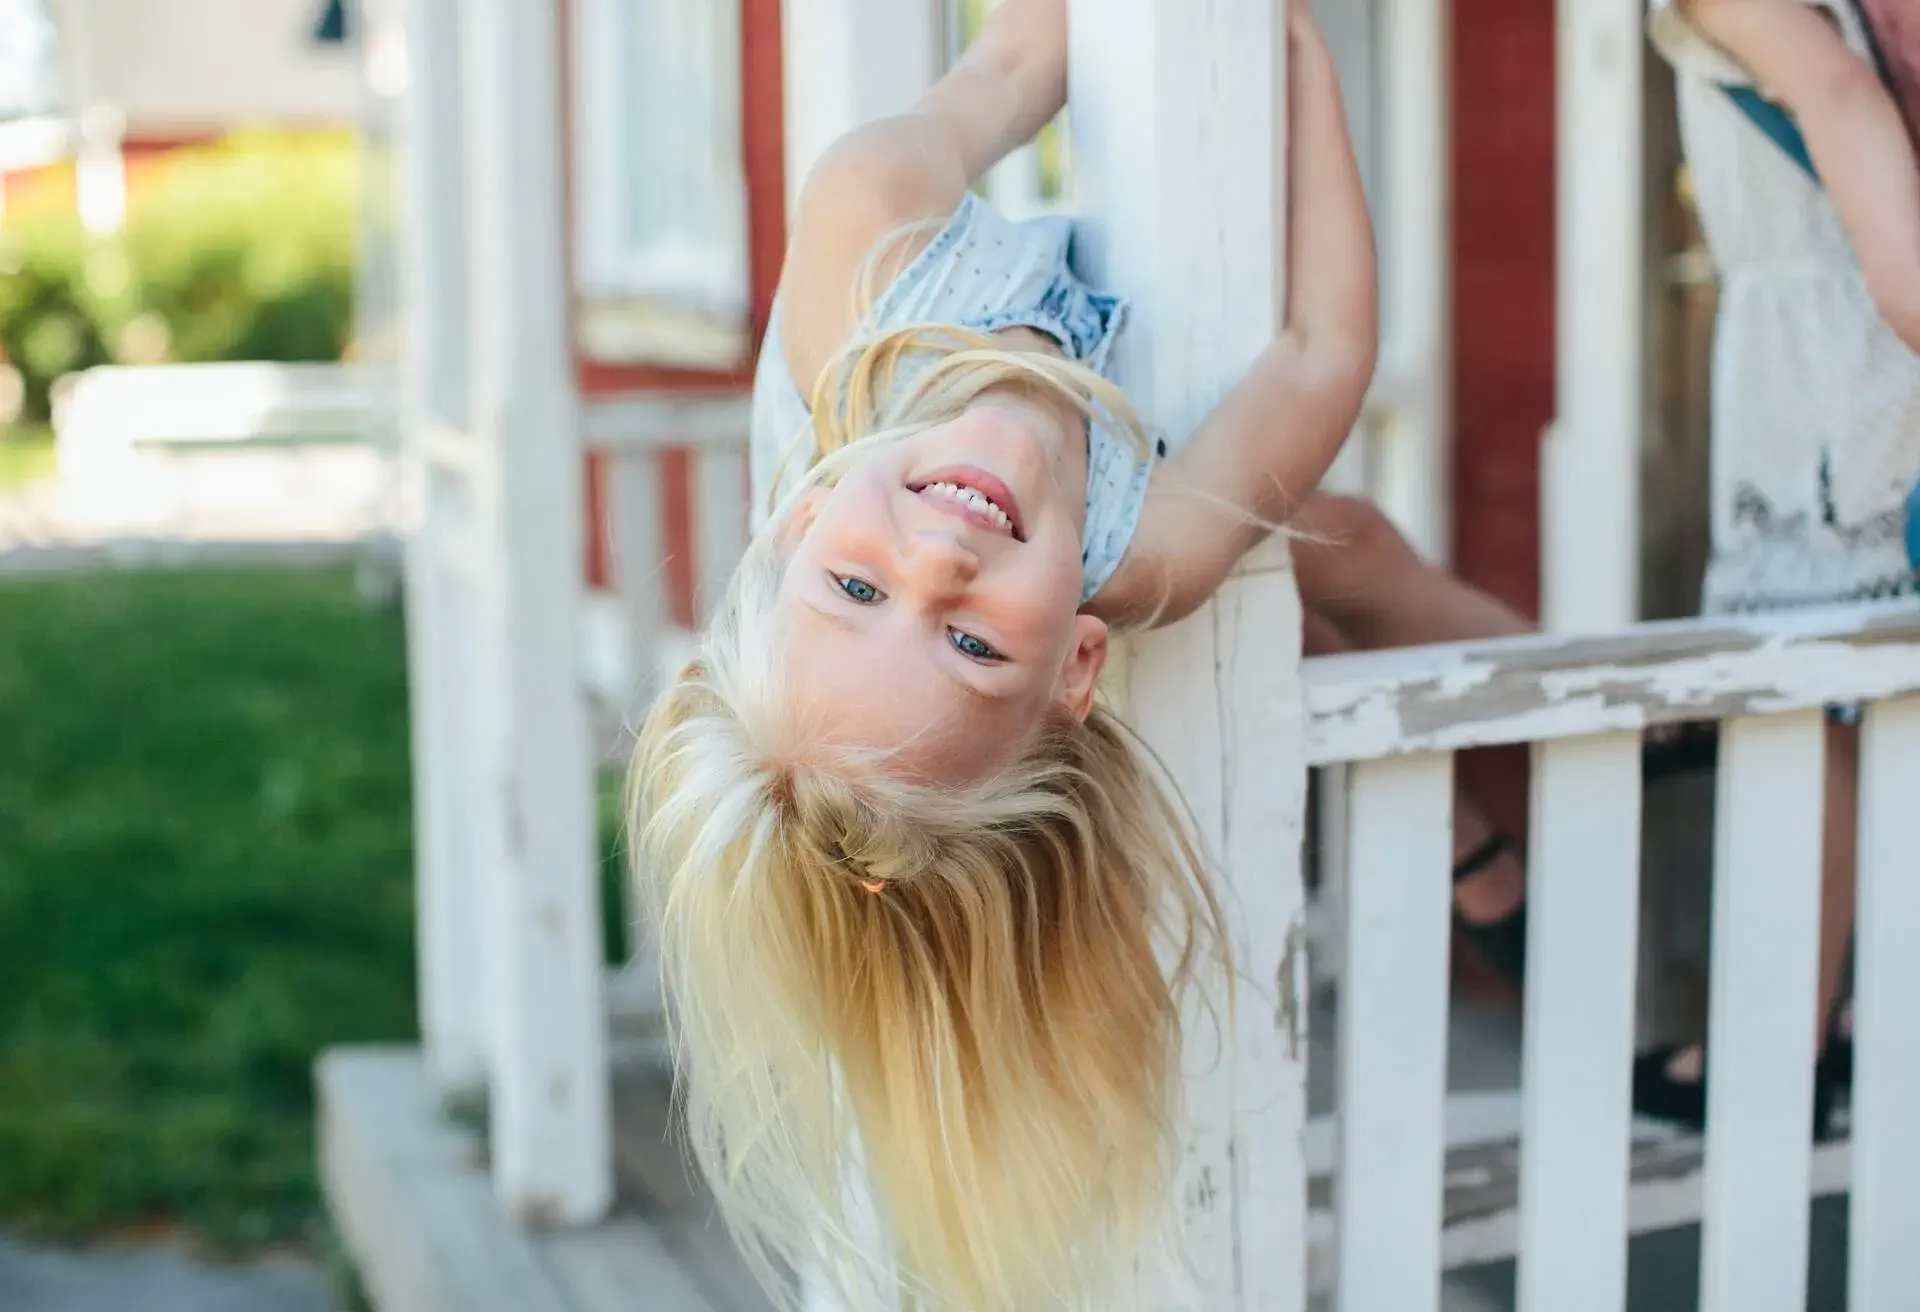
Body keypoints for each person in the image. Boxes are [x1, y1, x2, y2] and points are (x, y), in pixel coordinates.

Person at [626, 2, 1378, 1307]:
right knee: (1349, 538)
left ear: (805, 526)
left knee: (1354, 545)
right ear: (1077, 669)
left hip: (901, 345)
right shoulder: (1138, 558)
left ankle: (1511, 848)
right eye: (972, 643)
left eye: (856, 585)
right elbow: (1321, 353)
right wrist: (1298, 57)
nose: (934, 560)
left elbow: (1023, 54)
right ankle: (1569, 814)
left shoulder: (867, 239)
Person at [1300, 0, 1920, 1141]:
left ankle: (1770, 1023)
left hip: (1879, 398)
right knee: (1808, 699)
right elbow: (1835, 104)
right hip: (1824, 398)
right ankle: (1765, 1040)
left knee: (1828, 708)